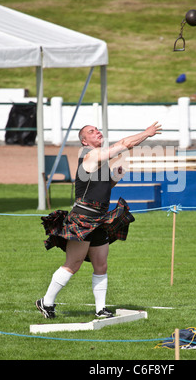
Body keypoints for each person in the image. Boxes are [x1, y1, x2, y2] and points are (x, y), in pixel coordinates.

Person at [36, 122, 162, 319]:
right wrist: (146, 133)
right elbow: (124, 143)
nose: (97, 132)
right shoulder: (89, 154)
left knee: (101, 265)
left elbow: (102, 189)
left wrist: (115, 178)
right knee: (73, 264)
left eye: (97, 130)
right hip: (83, 218)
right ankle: (46, 302)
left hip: (99, 219)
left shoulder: (99, 161)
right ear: (84, 140)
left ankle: (100, 309)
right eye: (91, 131)